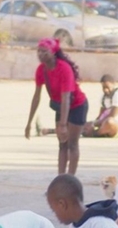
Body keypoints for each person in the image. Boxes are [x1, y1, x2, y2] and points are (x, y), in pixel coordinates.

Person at [25, 38, 89, 175]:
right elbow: (36, 96)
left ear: (53, 52)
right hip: (61, 107)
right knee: (62, 144)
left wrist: (63, 124)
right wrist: (29, 122)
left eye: (44, 51)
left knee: (72, 143)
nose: (41, 54)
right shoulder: (41, 70)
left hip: (76, 105)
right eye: (39, 51)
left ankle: (70, 178)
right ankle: (60, 178)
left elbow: (66, 97)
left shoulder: (63, 68)